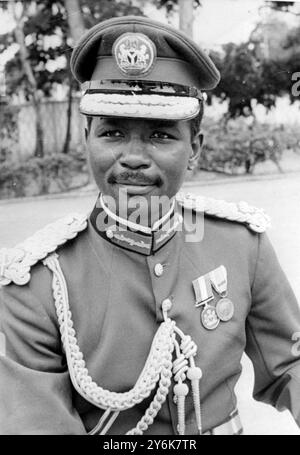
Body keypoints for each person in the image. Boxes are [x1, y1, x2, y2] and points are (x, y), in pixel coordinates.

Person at [1, 15, 300, 436]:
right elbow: (35, 422)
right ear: (87, 137)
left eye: (161, 135)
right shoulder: (35, 282)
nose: (134, 157)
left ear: (194, 148)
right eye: (113, 133)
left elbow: (291, 362)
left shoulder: (241, 244)